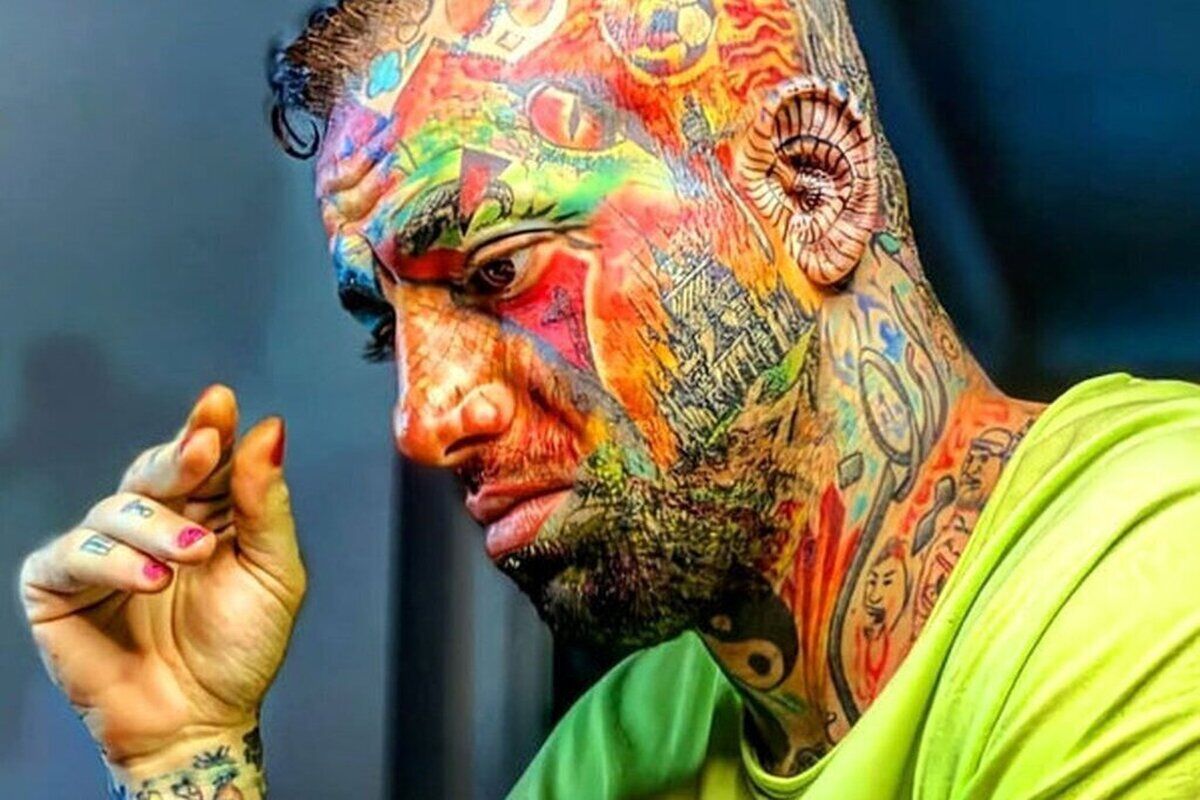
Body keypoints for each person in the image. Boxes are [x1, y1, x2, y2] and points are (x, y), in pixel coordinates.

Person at [18, 0, 1200, 797]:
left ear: (810, 189)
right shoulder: (621, 746)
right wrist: (188, 751)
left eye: (498, 273)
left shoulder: (1152, 582)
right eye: (389, 330)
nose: (425, 422)